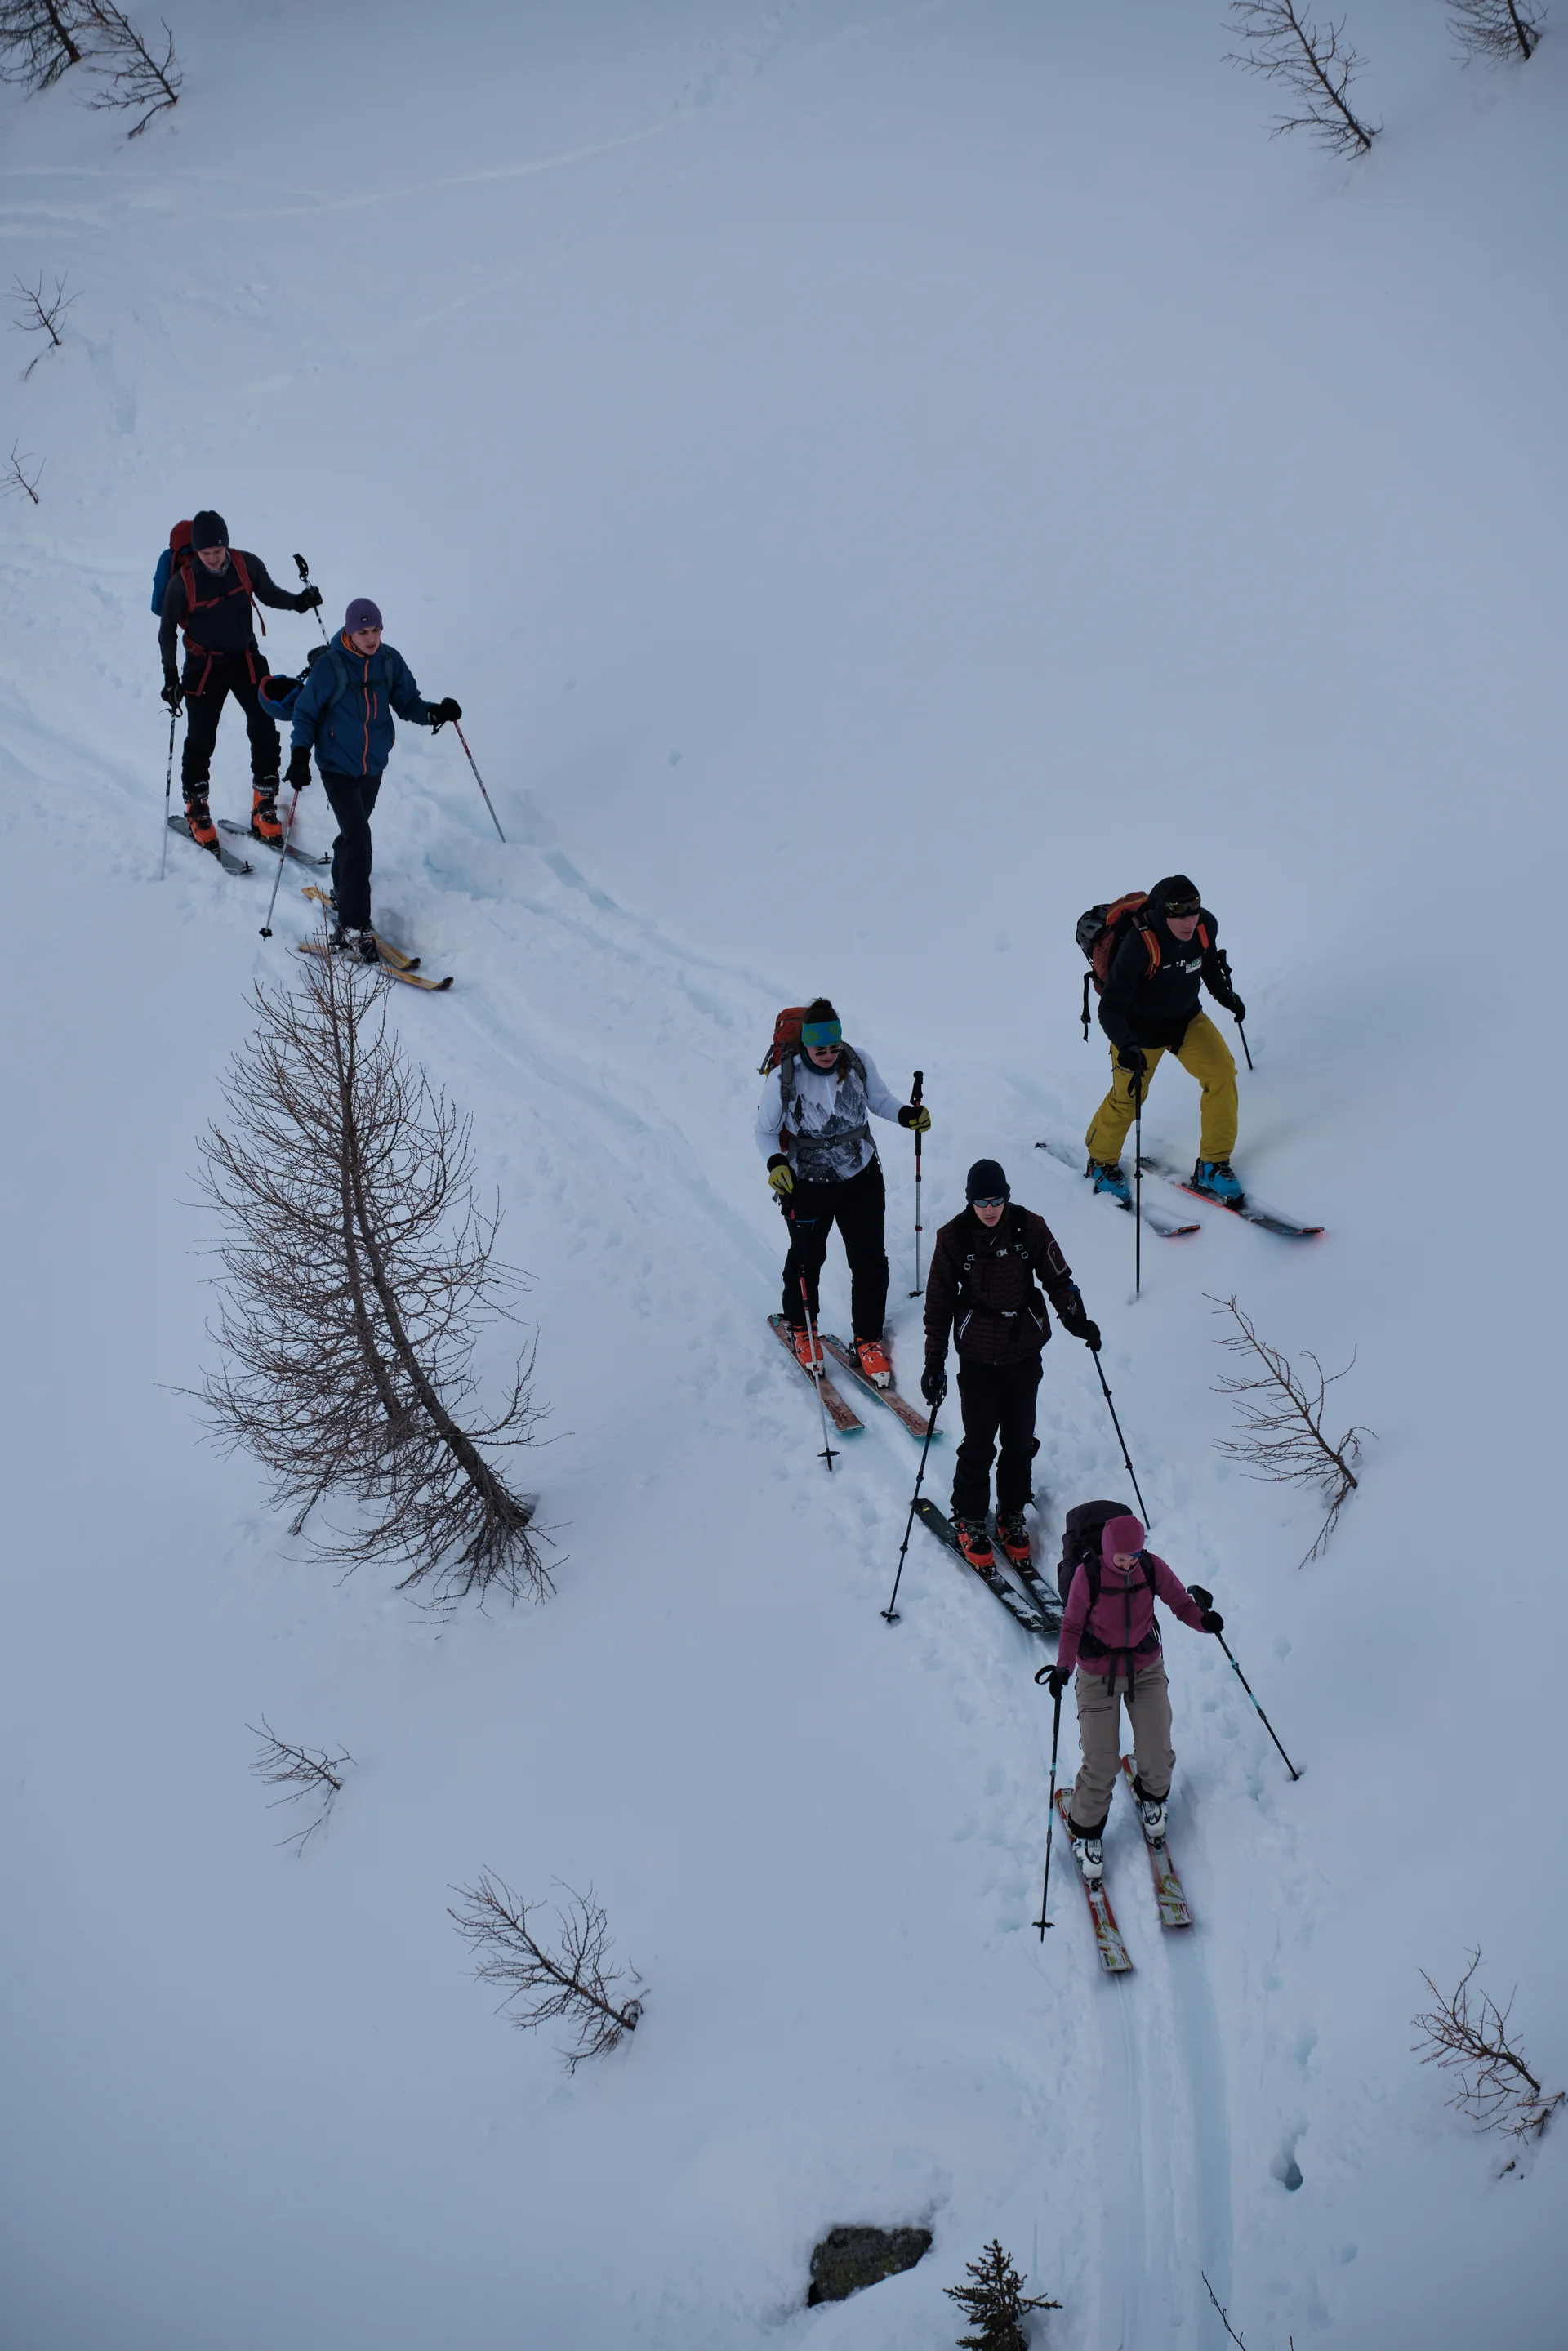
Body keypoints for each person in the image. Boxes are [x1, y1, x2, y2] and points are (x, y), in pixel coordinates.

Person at [920, 1159, 1102, 1573]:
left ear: (1007, 1196)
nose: (989, 1209)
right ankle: (969, 1516)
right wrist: (934, 1362)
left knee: (1020, 1439)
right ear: (970, 1201)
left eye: (996, 1200)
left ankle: (1011, 1511)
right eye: (981, 1202)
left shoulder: (1028, 1227)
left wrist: (1078, 1320)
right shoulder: (953, 1238)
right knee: (980, 1441)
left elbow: (1058, 1278)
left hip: (1023, 1348)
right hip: (978, 1354)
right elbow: (938, 1303)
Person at [1045, 1508, 1223, 1886]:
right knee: (1102, 1761)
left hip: (1145, 1667)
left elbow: (1180, 1603)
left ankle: (1151, 1796)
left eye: (1135, 1556)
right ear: (1108, 1551)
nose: (1129, 1564)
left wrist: (1204, 1622)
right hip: (1097, 1674)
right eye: (1122, 1558)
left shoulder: (1151, 1567)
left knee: (1158, 1749)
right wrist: (1063, 1666)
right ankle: (1086, 1832)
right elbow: (1073, 1623)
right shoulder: (1088, 1574)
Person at [755, 998, 928, 1386]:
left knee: (869, 1261)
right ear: (806, 1046)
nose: (829, 1055)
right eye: (821, 1049)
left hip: (861, 1176)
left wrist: (906, 1115)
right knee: (806, 1258)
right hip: (808, 1184)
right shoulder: (785, 1076)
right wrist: (776, 1164)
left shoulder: (857, 1061)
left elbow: (879, 1100)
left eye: (834, 1047)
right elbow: (764, 1131)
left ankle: (867, 1340)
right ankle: (802, 1328)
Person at [283, 599, 461, 963]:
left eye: (376, 629)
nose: (371, 638)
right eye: (363, 631)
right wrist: (300, 756)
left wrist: (434, 712)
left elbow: (407, 702)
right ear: (349, 631)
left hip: (373, 766)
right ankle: (353, 926)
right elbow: (304, 714)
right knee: (360, 838)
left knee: (353, 834)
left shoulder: (389, 661)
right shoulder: (330, 667)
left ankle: (341, 887)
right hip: (337, 767)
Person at [158, 510, 323, 850]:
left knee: (265, 725)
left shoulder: (245, 564)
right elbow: (166, 632)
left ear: (227, 544)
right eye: (206, 553)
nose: (214, 558)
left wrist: (299, 603)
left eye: (218, 551)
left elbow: (269, 593)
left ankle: (263, 805)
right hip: (203, 666)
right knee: (201, 738)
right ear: (197, 551)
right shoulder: (183, 581)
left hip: (245, 657)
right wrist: (171, 678)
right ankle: (196, 808)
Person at [1085, 873, 1248, 1205]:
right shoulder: (1139, 944)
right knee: (1128, 1098)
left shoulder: (1204, 927)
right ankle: (1101, 1161)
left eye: (1194, 911)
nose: (1188, 921)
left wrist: (1225, 996)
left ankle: (1213, 1164)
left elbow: (1207, 967)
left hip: (1186, 1020)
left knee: (1221, 1074)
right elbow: (1110, 1007)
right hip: (1138, 1031)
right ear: (1162, 912)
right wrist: (1127, 1046)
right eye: (1179, 913)